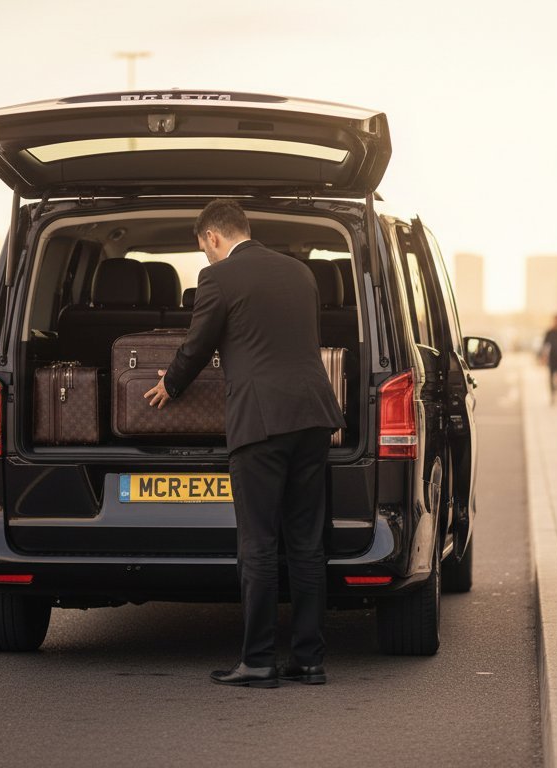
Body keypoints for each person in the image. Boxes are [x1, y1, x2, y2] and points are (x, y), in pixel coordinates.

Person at [144, 199, 345, 688]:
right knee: (305, 544)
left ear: (212, 237)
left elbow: (198, 344)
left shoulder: (218, 279)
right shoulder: (300, 274)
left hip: (260, 422)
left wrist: (169, 385)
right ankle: (309, 660)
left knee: (257, 542)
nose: (206, 259)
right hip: (314, 415)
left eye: (203, 249)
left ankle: (257, 661)